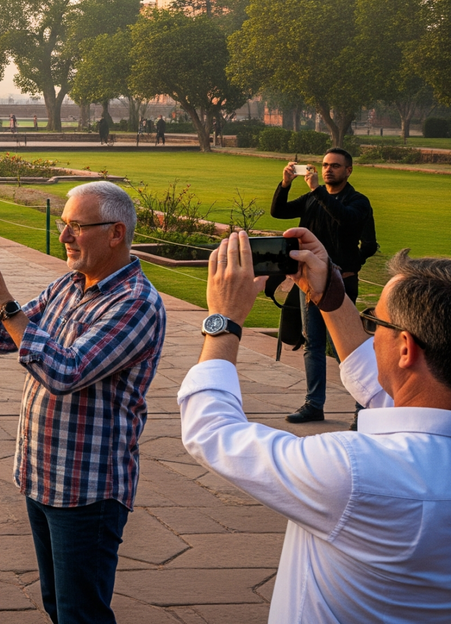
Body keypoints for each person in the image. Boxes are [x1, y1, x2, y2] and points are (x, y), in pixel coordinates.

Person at [182, 229, 451, 622]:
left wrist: (224, 320)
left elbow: (213, 433)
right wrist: (329, 296)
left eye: (376, 322)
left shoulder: (353, 472)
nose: (372, 335)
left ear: (407, 348)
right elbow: (384, 384)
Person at [0, 180, 165, 624]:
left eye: (76, 226)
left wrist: (3, 300)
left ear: (116, 233)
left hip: (87, 488)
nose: (65, 235)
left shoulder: (136, 303)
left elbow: (64, 371)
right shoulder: (69, 286)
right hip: (43, 474)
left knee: (81, 612)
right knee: (58, 604)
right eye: (65, 224)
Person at [270, 148, 377, 424]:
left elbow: (345, 219)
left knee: (349, 347)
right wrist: (285, 184)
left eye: (336, 166)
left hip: (342, 284)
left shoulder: (358, 201)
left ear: (348, 171)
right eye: (325, 165)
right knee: (313, 344)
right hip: (309, 285)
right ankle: (314, 404)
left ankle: (364, 409)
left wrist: (353, 264)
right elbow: (278, 211)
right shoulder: (312, 199)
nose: (328, 169)